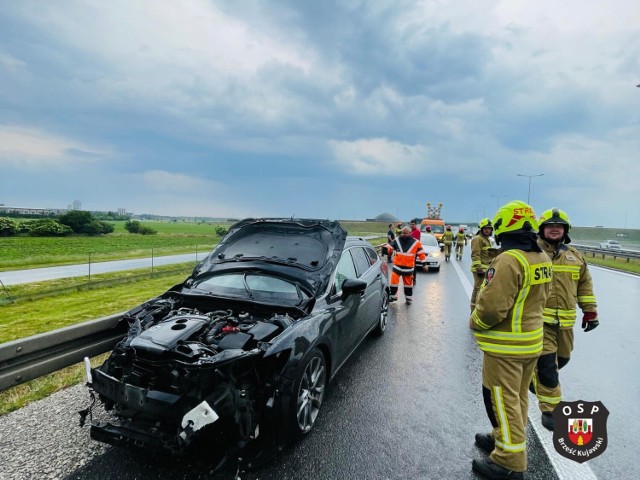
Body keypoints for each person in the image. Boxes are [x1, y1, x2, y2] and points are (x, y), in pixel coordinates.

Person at [470, 200, 552, 480]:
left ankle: (509, 462)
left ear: (505, 225)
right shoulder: (541, 257)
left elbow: (492, 308)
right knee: (516, 398)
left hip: (506, 346)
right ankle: (502, 438)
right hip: (530, 343)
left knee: (501, 401)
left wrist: (475, 323)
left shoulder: (509, 260)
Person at [531, 208, 599, 431]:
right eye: (550, 226)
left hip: (566, 324)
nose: (554, 229)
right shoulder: (532, 252)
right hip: (539, 322)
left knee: (562, 360)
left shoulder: (574, 255)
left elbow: (585, 285)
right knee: (547, 365)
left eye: (558, 226)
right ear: (542, 229)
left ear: (565, 230)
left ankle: (535, 380)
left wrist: (590, 311)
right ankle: (550, 411)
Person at [387, 226, 427, 304]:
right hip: (397, 266)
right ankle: (393, 296)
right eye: (402, 233)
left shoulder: (416, 243)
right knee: (393, 282)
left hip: (408, 267)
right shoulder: (397, 240)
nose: (404, 235)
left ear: (410, 233)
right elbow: (389, 246)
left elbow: (421, 254)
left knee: (408, 284)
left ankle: (408, 298)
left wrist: (424, 264)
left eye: (405, 233)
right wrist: (386, 249)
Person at [470, 218, 498, 312]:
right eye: (485, 228)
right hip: (479, 270)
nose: (487, 230)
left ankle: (480, 309)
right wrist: (479, 269)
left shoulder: (487, 240)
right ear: (481, 229)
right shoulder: (478, 239)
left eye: (489, 228)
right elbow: (475, 254)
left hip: (486, 269)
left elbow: (487, 254)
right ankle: (473, 309)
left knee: (484, 290)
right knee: (477, 289)